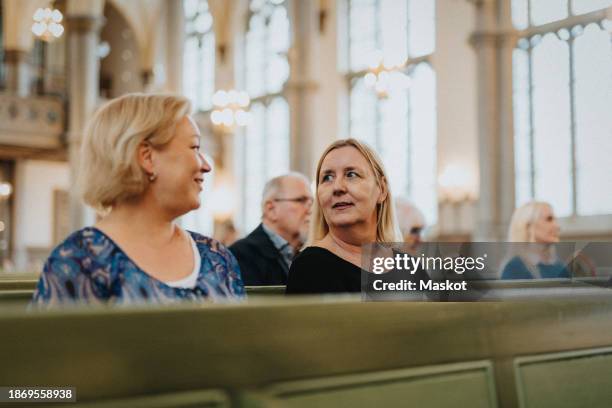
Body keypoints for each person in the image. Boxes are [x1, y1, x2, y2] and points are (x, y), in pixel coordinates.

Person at [32, 93, 245, 306]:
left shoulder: (216, 257)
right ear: (147, 157)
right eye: (194, 147)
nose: (206, 166)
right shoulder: (80, 261)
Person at [286, 138, 401, 294]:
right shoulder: (310, 266)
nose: (337, 187)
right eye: (327, 178)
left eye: (351, 174)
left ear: (381, 189)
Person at [230, 173, 312, 286]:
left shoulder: (310, 253)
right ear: (271, 209)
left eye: (312, 202)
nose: (311, 209)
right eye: (301, 200)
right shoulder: (240, 256)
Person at [501, 201, 570, 279]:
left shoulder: (560, 268)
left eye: (555, 220)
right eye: (549, 219)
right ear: (528, 227)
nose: (557, 226)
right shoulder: (514, 269)